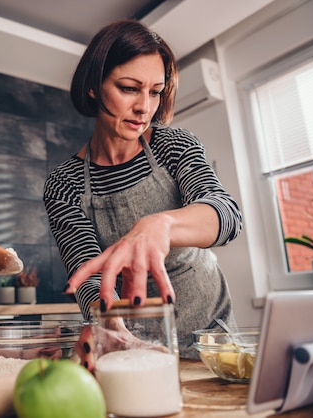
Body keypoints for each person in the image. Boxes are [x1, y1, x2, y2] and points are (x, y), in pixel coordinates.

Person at [43, 19, 242, 361]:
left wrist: (160, 225)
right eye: (129, 88)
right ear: (93, 87)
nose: (145, 107)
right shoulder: (64, 185)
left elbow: (225, 214)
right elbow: (89, 273)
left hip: (214, 342)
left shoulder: (174, 146)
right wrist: (106, 322)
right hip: (136, 349)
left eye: (155, 91)